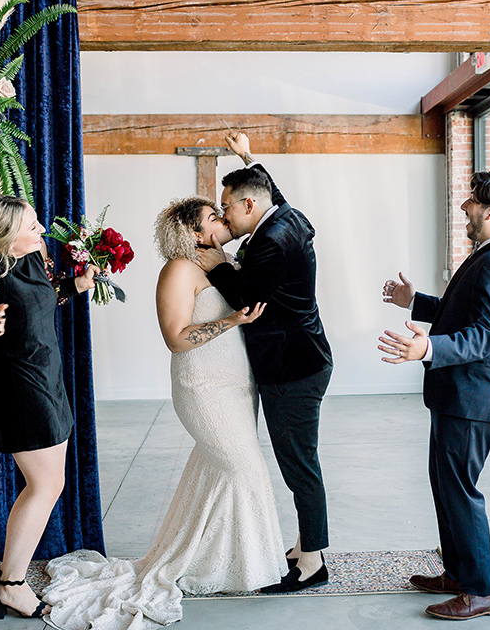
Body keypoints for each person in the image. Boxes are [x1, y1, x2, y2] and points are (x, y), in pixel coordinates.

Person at [42, 196, 286, 630]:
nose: (223, 217)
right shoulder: (177, 270)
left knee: (215, 472)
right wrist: (231, 322)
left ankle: (219, 564)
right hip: (203, 386)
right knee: (244, 467)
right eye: (214, 215)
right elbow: (175, 338)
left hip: (239, 385)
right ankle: (219, 564)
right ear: (193, 232)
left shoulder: (222, 262)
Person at [0, 195, 99, 620]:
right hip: (17, 389)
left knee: (50, 484)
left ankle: (10, 578)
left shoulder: (34, 256)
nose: (41, 230)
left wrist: (77, 286)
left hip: (48, 378)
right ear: (6, 235)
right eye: (31, 225)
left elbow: (45, 298)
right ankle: (10, 585)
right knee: (44, 486)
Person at [377, 171, 490, 620]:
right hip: (456, 395)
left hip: (475, 399)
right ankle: (458, 573)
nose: (464, 208)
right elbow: (460, 312)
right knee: (445, 486)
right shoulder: (488, 254)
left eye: (471, 203)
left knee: (461, 491)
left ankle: (483, 590)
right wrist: (415, 301)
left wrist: (427, 347)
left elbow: (485, 336)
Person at [196, 132, 333, 593]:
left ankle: (312, 562)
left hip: (292, 368)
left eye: (227, 206)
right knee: (298, 459)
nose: (224, 213)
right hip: (305, 357)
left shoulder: (272, 239)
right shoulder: (288, 215)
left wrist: (216, 262)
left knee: (299, 464)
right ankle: (305, 545)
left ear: (249, 206)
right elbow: (270, 189)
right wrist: (247, 157)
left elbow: (247, 301)